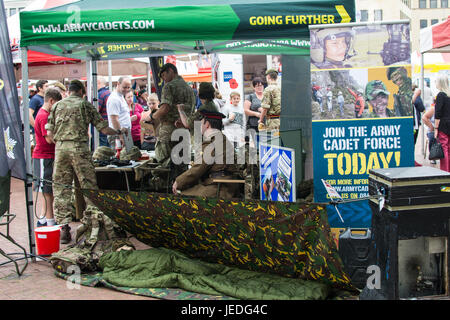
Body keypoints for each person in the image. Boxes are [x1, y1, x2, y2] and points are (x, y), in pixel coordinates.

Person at [45, 80, 128, 244]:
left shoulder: (57, 106)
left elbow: (49, 133)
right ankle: (93, 225)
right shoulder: (85, 105)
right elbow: (104, 129)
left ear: (69, 91)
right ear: (82, 91)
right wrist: (119, 132)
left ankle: (64, 229)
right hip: (80, 150)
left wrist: (63, 143)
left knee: (61, 188)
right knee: (88, 187)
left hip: (61, 149)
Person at [172, 110, 239, 199]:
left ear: (207, 124)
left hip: (217, 188)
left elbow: (198, 168)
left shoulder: (211, 143)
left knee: (181, 194)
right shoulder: (224, 140)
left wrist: (178, 182)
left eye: (202, 122)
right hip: (228, 186)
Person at [144, 63, 195, 169]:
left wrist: (152, 116)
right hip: (184, 130)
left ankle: (169, 185)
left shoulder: (169, 86)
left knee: (165, 164)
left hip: (170, 129)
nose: (164, 79)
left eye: (164, 76)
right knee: (182, 164)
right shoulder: (188, 88)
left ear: (171, 71)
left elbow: (165, 108)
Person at [32, 88, 62, 228]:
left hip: (47, 156)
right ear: (51, 101)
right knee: (47, 191)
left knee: (47, 189)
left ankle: (44, 218)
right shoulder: (44, 116)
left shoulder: (44, 114)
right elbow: (49, 139)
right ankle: (50, 221)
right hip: (44, 156)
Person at [107, 77, 132, 150]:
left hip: (124, 133)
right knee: (120, 157)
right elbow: (114, 119)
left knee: (127, 156)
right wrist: (120, 135)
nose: (127, 89)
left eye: (128, 87)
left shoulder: (120, 96)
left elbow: (121, 116)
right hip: (117, 134)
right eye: (124, 87)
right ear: (118, 84)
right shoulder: (114, 99)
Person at [433, 75, 450, 172]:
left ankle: (445, 172)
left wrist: (436, 128)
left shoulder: (441, 95)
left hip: (443, 125)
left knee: (444, 149)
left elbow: (438, 113)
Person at [97, 77, 111, 147]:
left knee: (102, 150)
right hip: (110, 126)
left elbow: (96, 111)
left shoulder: (100, 95)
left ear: (98, 82)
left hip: (102, 127)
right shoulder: (109, 93)